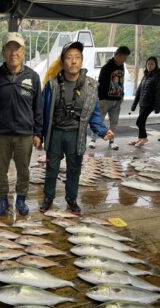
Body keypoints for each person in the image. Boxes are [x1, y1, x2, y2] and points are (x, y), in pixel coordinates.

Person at [40, 41, 113, 215]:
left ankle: (71, 200)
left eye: (77, 58)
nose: (73, 61)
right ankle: (48, 197)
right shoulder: (52, 84)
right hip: (55, 133)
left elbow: (94, 113)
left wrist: (102, 131)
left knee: (74, 170)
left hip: (76, 134)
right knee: (51, 168)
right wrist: (37, 133)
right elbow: (42, 111)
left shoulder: (91, 86)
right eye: (69, 58)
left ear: (82, 61)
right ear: (63, 61)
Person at [0, 32, 43, 216]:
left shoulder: (33, 77)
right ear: (3, 52)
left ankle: (22, 198)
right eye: (9, 48)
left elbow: (38, 107)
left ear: (23, 52)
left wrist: (38, 133)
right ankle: (2, 199)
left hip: (25, 134)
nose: (13, 53)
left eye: (17, 49)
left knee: (23, 170)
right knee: (1, 171)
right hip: (0, 133)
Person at [88, 45, 131, 151]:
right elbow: (100, 84)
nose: (124, 60)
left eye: (126, 58)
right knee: (99, 120)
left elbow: (121, 82)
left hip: (116, 100)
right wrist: (100, 98)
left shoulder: (121, 67)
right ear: (117, 55)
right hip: (105, 100)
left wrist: (122, 95)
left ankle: (111, 141)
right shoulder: (106, 67)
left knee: (114, 122)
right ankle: (93, 140)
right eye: (124, 58)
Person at [128, 56, 160, 147]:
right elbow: (139, 91)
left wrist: (157, 107)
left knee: (139, 122)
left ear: (156, 65)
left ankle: (145, 138)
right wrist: (134, 105)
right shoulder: (145, 75)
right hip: (143, 102)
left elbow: (158, 92)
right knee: (142, 122)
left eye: (152, 64)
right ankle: (140, 139)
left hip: (150, 103)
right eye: (148, 63)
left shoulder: (158, 75)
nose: (150, 65)